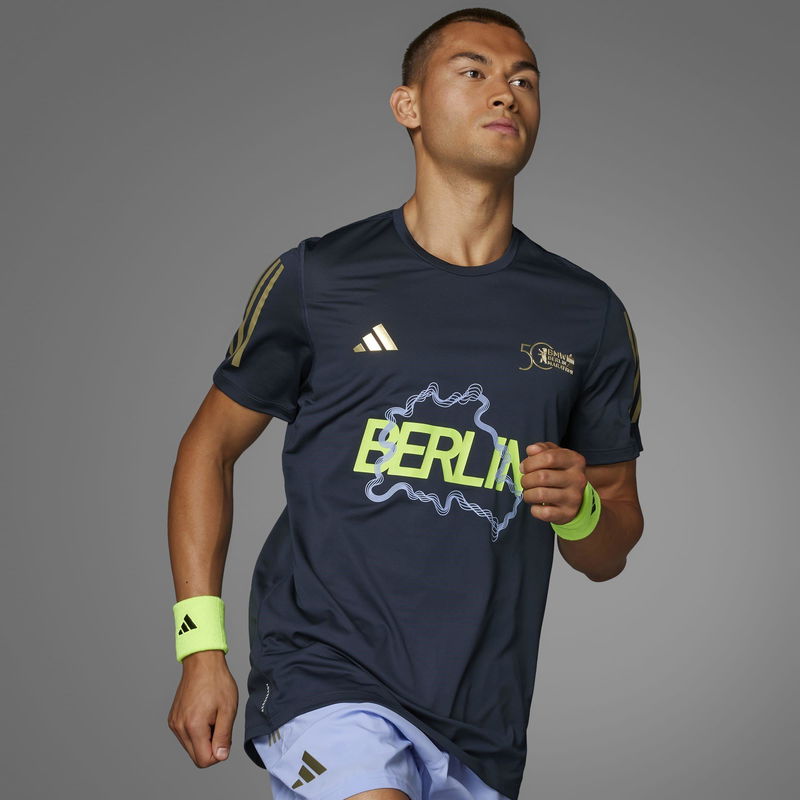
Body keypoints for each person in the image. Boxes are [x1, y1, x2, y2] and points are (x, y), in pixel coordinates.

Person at [166, 7, 645, 800]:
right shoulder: (319, 278)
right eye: (474, 72)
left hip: (483, 725)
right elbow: (206, 449)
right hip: (324, 675)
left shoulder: (587, 314)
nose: (506, 92)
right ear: (408, 106)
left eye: (524, 79)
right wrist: (200, 647)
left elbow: (612, 543)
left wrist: (582, 512)